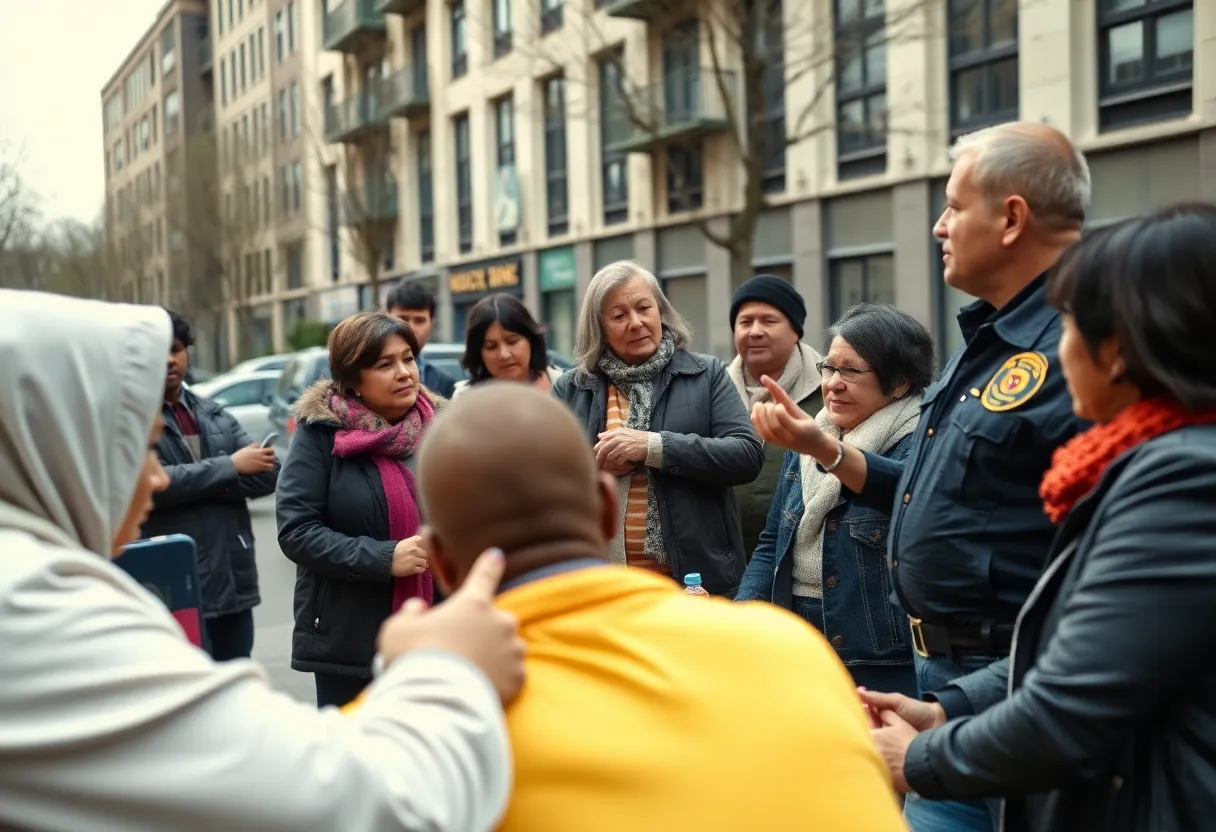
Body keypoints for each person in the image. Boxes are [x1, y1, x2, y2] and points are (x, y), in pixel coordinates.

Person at [0, 289, 524, 831]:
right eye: (145, 447)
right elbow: (331, 795)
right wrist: (448, 667)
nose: (159, 477)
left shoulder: (38, 587)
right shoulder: (36, 612)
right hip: (352, 632)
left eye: (408, 358)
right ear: (61, 440)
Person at [749, 122, 1091, 831]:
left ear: (1011, 218)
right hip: (950, 688)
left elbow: (1096, 579)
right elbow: (927, 491)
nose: (937, 226)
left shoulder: (1074, 345)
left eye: (952, 206)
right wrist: (823, 447)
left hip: (1017, 687)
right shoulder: (991, 342)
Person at [410, 382, 908, 830]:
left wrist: (416, 672)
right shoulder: (789, 647)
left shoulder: (427, 736)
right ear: (607, 511)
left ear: (440, 566)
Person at [866, 203, 1216, 832]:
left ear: (1119, 350)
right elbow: (1086, 649)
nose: (1060, 344)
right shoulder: (1156, 459)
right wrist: (950, 709)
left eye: (1073, 322)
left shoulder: (1184, 479)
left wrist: (919, 758)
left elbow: (1071, 705)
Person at [739, 304, 934, 698]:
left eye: (851, 371)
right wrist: (741, 616)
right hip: (798, 641)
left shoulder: (920, 446)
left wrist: (827, 451)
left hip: (879, 659)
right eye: (829, 368)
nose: (833, 383)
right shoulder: (810, 437)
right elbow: (772, 540)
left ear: (899, 383)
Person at [552, 260, 764, 596]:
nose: (635, 323)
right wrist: (593, 468)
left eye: (643, 308)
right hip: (601, 587)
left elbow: (747, 455)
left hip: (694, 586)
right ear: (600, 328)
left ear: (660, 312)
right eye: (619, 316)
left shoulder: (704, 374)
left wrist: (655, 447)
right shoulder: (573, 388)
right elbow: (541, 480)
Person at [277, 311, 449, 708]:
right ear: (353, 382)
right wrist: (384, 557)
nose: (405, 372)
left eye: (408, 358)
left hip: (438, 631)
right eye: (385, 364)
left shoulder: (444, 427)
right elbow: (297, 531)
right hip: (350, 640)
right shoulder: (319, 434)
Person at [141, 309, 279, 661]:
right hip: (174, 583)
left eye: (176, 348)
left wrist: (198, 482)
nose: (169, 360)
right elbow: (155, 486)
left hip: (232, 578)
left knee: (237, 680)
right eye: (158, 351)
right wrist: (230, 467)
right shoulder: (136, 420)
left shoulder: (214, 413)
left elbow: (269, 472)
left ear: (188, 351)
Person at [726, 274, 824, 556]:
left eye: (769, 321)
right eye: (745, 322)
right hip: (727, 563)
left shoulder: (832, 387)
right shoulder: (712, 390)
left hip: (806, 563)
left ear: (795, 330)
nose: (754, 331)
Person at [452, 294, 564, 397]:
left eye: (512, 341)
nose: (504, 354)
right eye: (491, 346)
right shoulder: (465, 399)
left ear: (531, 340)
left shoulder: (567, 388)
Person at [386, 280, 458, 399]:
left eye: (419, 320)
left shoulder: (446, 384)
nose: (410, 328)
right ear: (385, 318)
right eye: (402, 318)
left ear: (431, 324)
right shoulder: (367, 376)